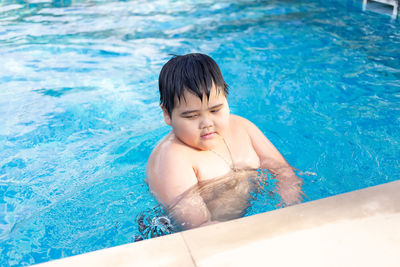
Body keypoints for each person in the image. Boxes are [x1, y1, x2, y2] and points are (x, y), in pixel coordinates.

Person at [146, 53, 303, 230]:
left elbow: (283, 171)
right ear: (167, 114)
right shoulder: (172, 158)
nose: (207, 123)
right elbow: (199, 227)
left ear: (226, 99)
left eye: (215, 110)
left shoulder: (243, 128)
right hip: (181, 238)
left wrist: (288, 209)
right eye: (192, 116)